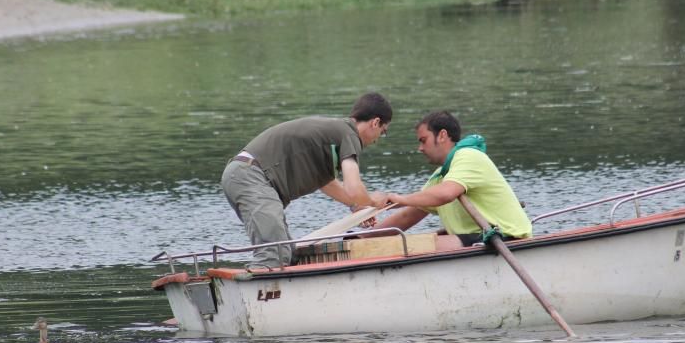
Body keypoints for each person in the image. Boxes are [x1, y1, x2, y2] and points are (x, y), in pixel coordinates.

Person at [222, 92, 392, 269]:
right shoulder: (349, 135)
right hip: (251, 176)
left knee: (289, 253)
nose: (377, 139)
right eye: (383, 131)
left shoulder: (335, 133)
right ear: (375, 122)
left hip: (243, 175)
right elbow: (354, 187)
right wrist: (373, 201)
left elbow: (327, 183)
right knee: (274, 255)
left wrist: (356, 206)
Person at [374, 110, 531, 251]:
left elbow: (446, 194)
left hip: (504, 238)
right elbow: (407, 217)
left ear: (442, 135)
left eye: (423, 140)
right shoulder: (441, 175)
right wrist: (361, 237)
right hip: (477, 238)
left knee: (415, 247)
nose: (420, 148)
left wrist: (400, 198)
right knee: (402, 244)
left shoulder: (469, 156)